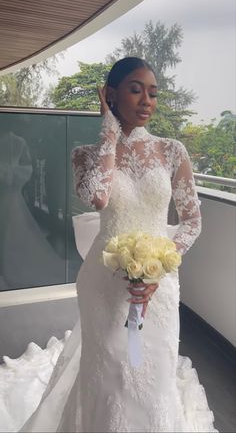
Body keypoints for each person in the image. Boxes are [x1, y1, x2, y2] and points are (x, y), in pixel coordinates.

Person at [19, 57, 218, 432]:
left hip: (157, 282)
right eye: (135, 89)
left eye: (153, 93)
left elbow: (192, 220)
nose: (147, 100)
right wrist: (108, 130)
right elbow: (96, 196)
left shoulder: (172, 150)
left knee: (151, 372)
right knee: (109, 370)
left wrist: (161, 266)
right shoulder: (86, 155)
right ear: (111, 95)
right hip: (103, 283)